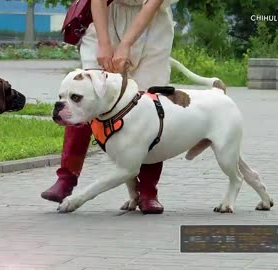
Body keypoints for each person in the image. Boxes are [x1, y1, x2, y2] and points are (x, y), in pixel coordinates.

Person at [41, 0, 178, 214]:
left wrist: (126, 45)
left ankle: (148, 191)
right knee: (85, 94)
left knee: (149, 105)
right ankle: (66, 178)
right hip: (104, 16)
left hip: (152, 23)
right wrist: (104, 43)